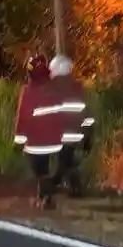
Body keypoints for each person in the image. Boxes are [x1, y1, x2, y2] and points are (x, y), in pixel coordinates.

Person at [13, 54, 64, 208]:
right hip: (53, 139)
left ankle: (47, 198)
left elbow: (23, 118)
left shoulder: (29, 92)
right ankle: (41, 196)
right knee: (44, 166)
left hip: (37, 141)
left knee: (39, 170)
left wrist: (18, 141)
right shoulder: (54, 90)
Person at [46, 54, 91, 198]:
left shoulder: (55, 89)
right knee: (68, 162)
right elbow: (87, 113)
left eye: (52, 70)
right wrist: (89, 134)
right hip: (78, 135)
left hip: (63, 135)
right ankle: (74, 188)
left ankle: (53, 186)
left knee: (64, 164)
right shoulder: (78, 88)